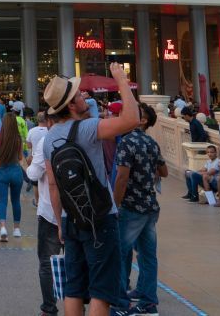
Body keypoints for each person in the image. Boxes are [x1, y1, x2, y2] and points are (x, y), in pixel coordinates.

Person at [42, 64, 139, 316]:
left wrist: (61, 222)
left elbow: (53, 185)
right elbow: (132, 119)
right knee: (101, 291)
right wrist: (121, 80)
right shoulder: (88, 128)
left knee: (73, 288)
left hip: (71, 218)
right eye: (78, 95)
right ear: (72, 106)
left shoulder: (50, 138)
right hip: (100, 217)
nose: (83, 96)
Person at [113, 103, 166, 316]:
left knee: (119, 252)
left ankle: (119, 303)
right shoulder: (151, 142)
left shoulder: (127, 142)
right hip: (150, 205)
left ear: (142, 120)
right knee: (148, 255)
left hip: (131, 206)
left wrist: (115, 204)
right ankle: (148, 301)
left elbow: (122, 177)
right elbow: (164, 171)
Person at [25, 111, 61, 316]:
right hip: (78, 211)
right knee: (75, 259)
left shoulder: (47, 140)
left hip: (49, 210)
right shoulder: (81, 134)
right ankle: (78, 303)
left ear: (49, 121)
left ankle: (49, 308)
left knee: (47, 262)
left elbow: (33, 174)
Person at [0, 104, 26, 241]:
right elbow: (21, 158)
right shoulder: (18, 139)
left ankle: (3, 227)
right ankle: (16, 229)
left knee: (2, 200)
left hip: (1, 171)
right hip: (16, 171)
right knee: (16, 201)